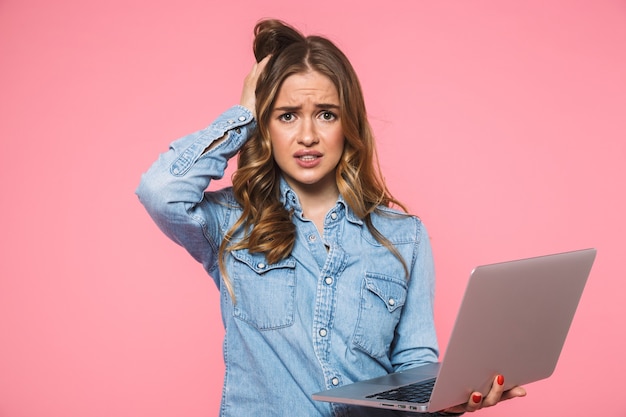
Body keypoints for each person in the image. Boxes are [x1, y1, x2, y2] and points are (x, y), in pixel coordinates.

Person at [136, 19, 526, 417]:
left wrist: (447, 399)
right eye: (287, 115)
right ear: (265, 124)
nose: (308, 135)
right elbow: (159, 191)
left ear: (349, 123)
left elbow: (414, 368)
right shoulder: (234, 223)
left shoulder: (403, 237)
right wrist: (242, 115)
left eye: (326, 115)